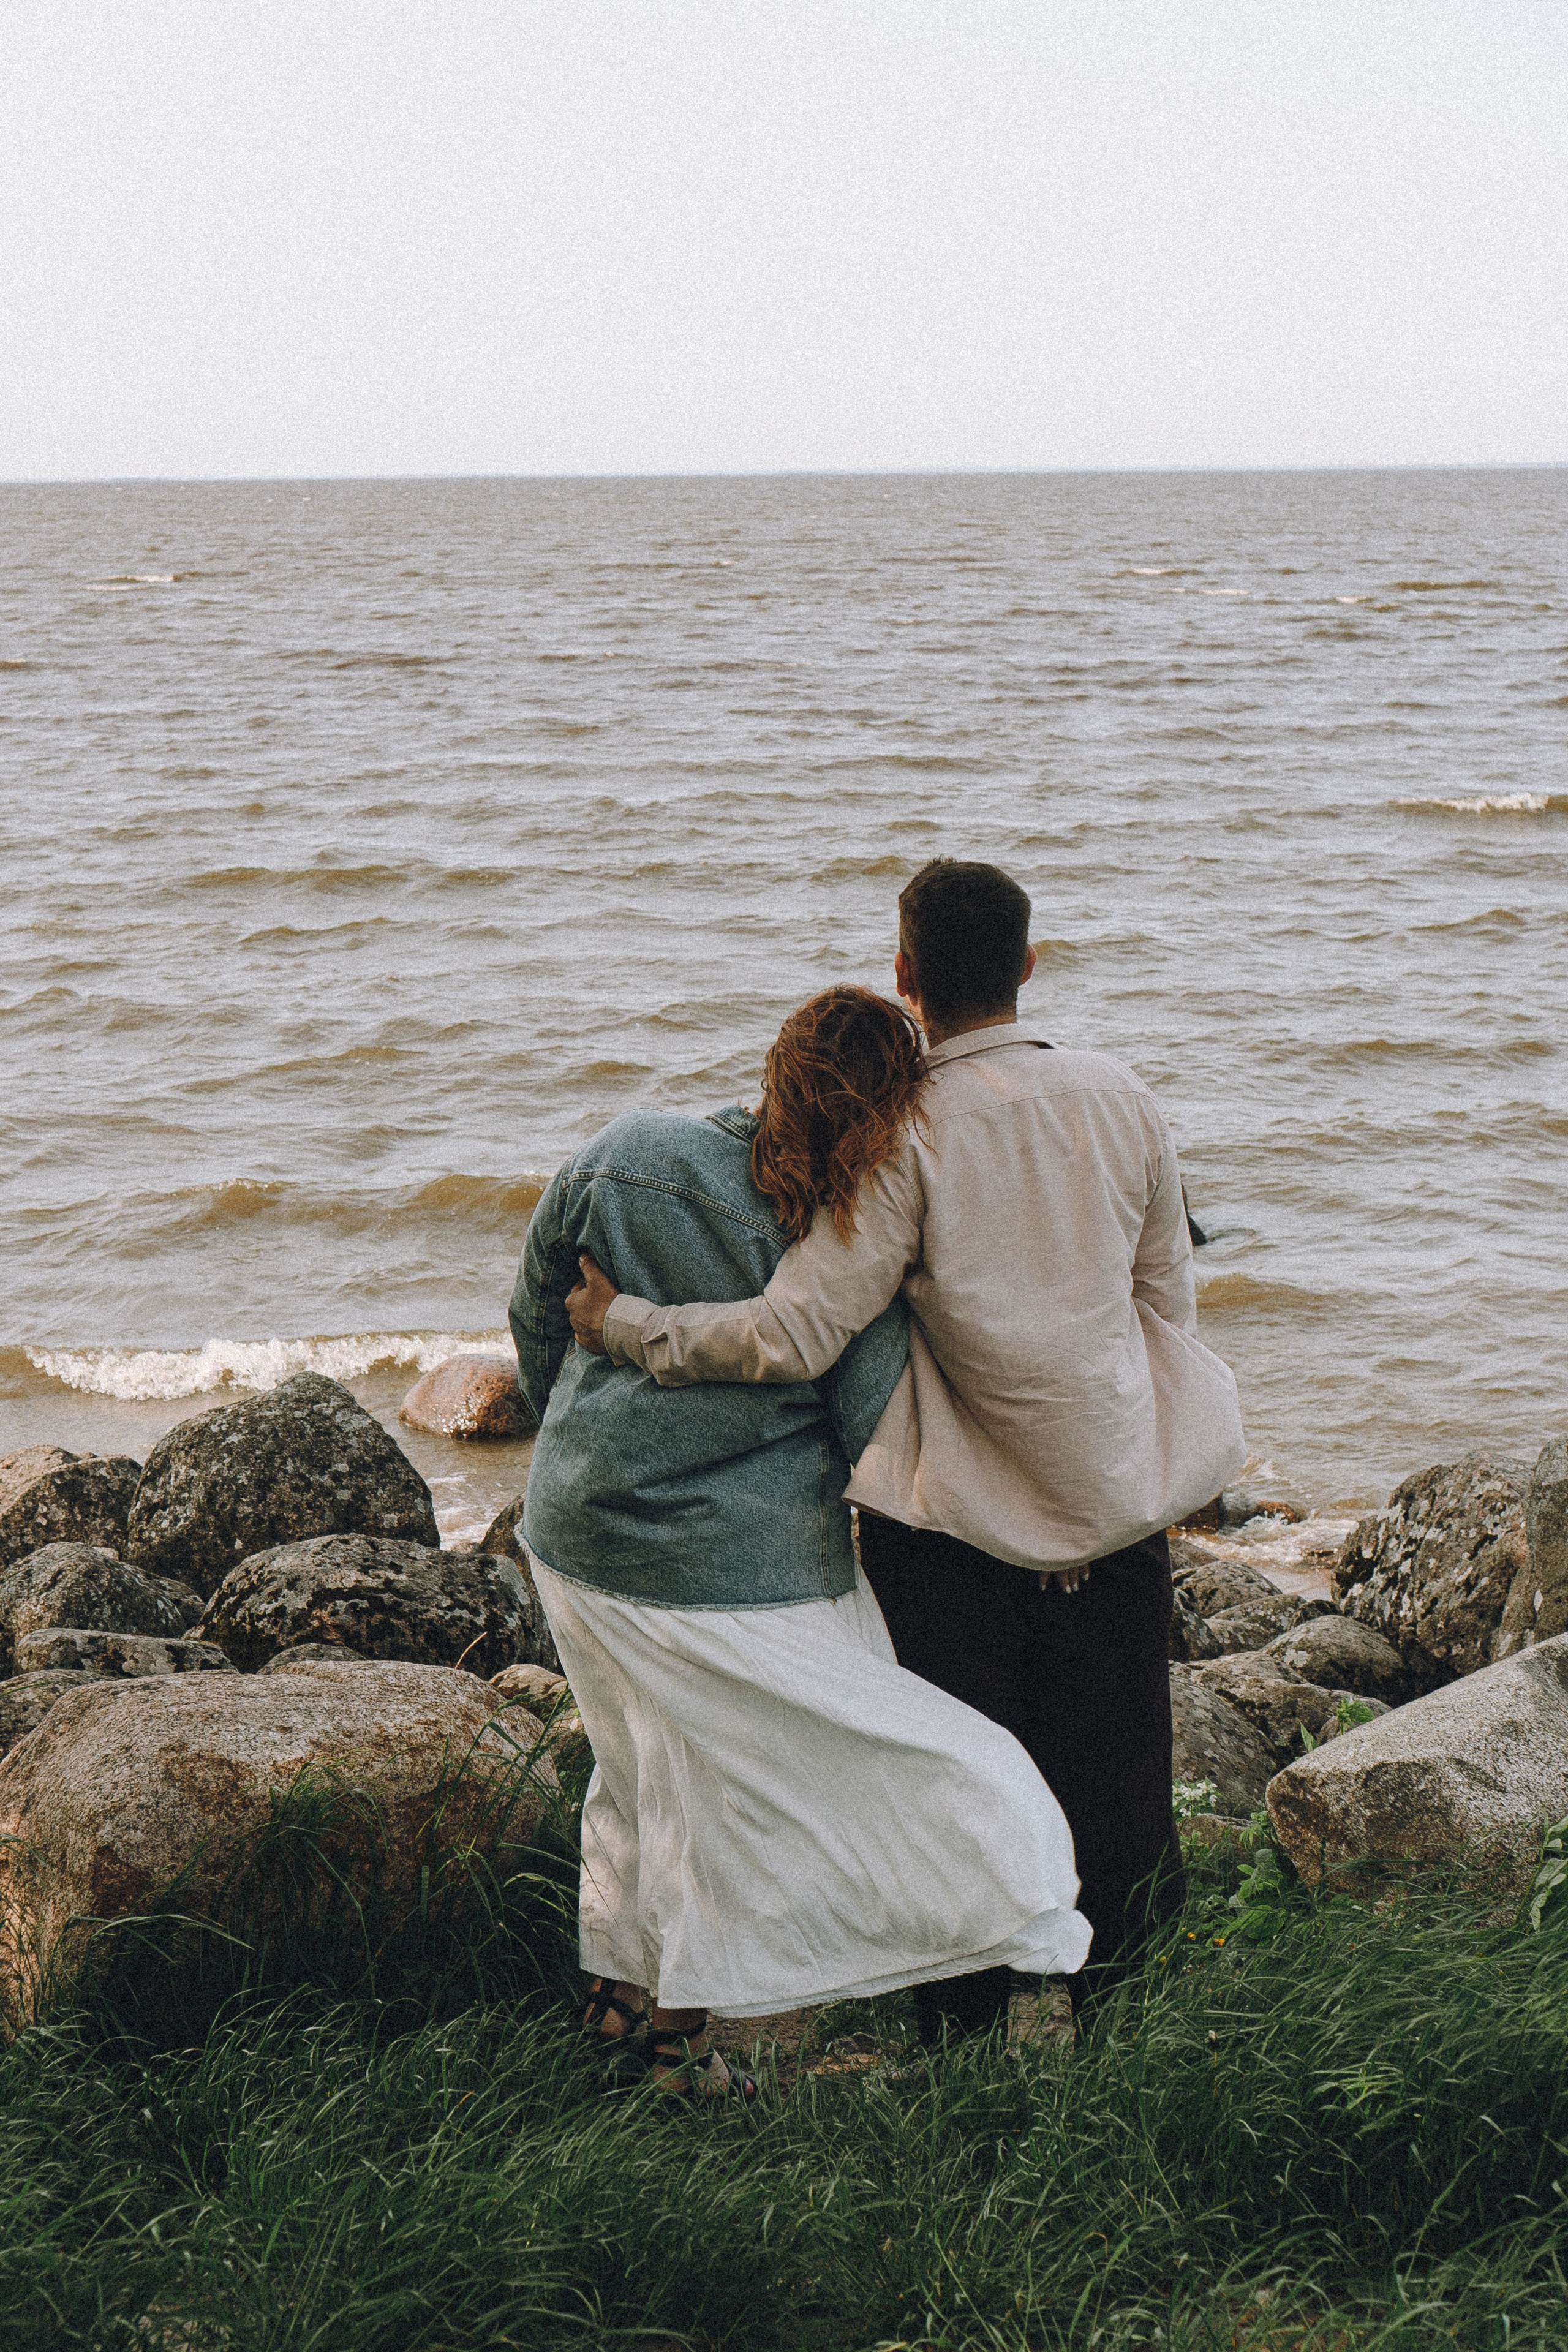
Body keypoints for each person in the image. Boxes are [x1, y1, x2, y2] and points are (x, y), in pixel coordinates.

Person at [568, 859, 1247, 2030]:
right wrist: (1096, 1489)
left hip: (955, 1530)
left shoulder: (904, 1132)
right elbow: (1163, 1311)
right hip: (1115, 1518)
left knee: (949, 1789)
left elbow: (794, 1332)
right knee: (1127, 1798)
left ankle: (965, 2050)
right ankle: (1135, 2044)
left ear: (905, 975)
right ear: (1029, 967)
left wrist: (624, 1325)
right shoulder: (1125, 1098)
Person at [512, 983, 1091, 2097]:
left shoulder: (628, 1153)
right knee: (926, 1773)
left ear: (776, 1070)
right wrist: (1040, 1517)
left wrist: (584, 1438)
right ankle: (687, 2041)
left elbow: (541, 1305)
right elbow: (874, 1435)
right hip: (736, 1574)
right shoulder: (850, 1251)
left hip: (577, 1537)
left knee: (641, 1764)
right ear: (890, 1118)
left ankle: (620, 2006)